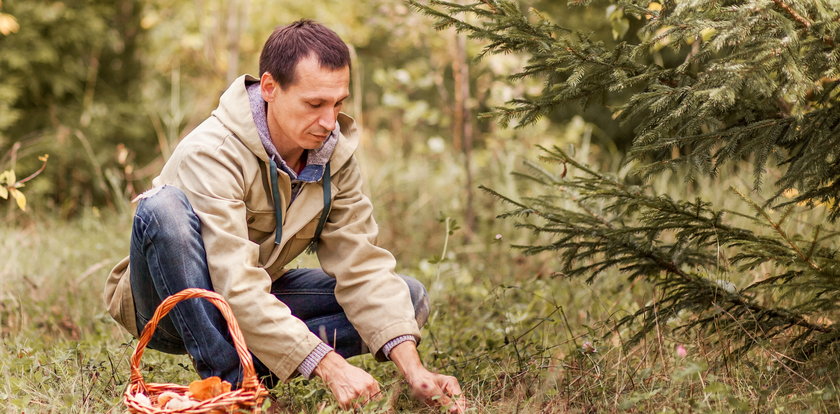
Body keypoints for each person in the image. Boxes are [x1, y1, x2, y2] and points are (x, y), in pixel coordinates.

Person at [103, 19, 465, 412]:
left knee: (406, 299)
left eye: (338, 103)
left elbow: (361, 265)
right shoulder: (212, 151)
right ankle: (230, 388)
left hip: (251, 295)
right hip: (170, 307)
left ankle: (253, 366)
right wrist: (328, 365)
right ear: (270, 88)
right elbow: (233, 282)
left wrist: (414, 371)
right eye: (314, 104)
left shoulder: (335, 156)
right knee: (163, 207)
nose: (329, 122)